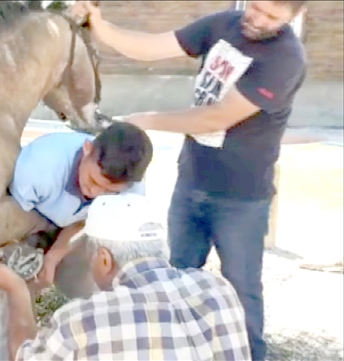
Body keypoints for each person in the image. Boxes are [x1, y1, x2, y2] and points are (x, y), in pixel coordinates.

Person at [70, 1, 307, 360]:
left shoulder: (286, 60)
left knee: (242, 293)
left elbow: (215, 118)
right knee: (175, 282)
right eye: (255, 5)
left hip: (241, 199)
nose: (256, 19)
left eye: (271, 16)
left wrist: (144, 120)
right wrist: (99, 25)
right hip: (191, 182)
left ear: (294, 16)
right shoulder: (226, 24)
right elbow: (151, 46)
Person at [0, 192, 251, 361]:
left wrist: (17, 291)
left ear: (104, 259)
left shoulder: (82, 321)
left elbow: (22, 358)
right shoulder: (218, 291)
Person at [7, 122, 153, 294]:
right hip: (28, 217)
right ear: (87, 149)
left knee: (92, 285)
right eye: (93, 180)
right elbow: (11, 217)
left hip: (78, 227)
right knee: (16, 275)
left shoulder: (131, 194)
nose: (95, 193)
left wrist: (55, 254)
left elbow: (88, 222)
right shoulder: (39, 168)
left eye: (108, 191)